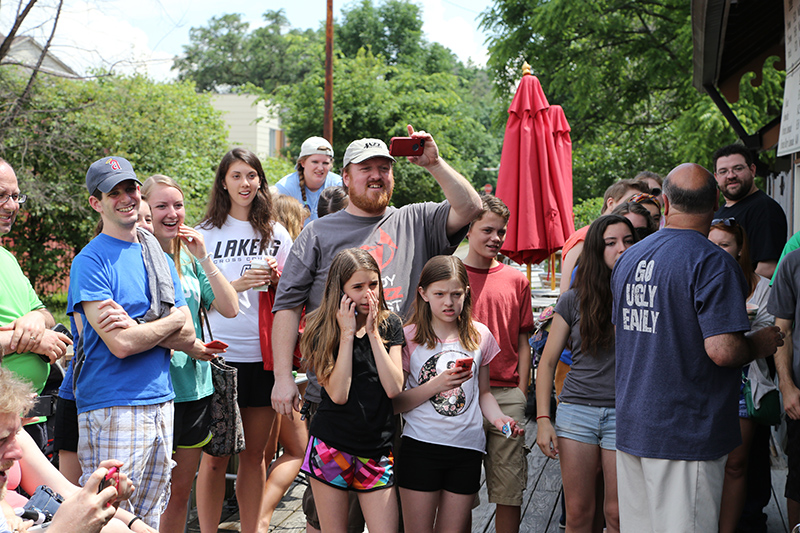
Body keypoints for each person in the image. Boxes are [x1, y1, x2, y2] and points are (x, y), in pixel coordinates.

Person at [271, 126, 482, 532]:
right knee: (331, 521)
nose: (376, 175)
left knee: (395, 518)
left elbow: (470, 208)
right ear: (344, 177)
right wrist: (283, 377)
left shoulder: (417, 218)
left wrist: (434, 163)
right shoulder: (318, 233)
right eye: (365, 168)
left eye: (385, 168)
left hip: (401, 399)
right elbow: (286, 306)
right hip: (334, 398)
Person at [610, 162, 784, 532]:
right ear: (717, 203)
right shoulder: (713, 262)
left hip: (632, 424)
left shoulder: (628, 260)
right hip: (687, 430)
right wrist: (761, 343)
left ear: (667, 204)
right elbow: (722, 350)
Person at [68, 155, 196, 528]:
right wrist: (168, 322)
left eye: (131, 188)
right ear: (97, 202)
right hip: (112, 405)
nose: (126, 197)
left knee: (150, 517)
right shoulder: (89, 261)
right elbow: (120, 345)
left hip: (162, 401)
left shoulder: (156, 253)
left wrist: (142, 326)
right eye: (114, 192)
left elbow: (188, 332)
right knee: (108, 517)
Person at [194, 148, 292, 533]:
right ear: (223, 182)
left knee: (256, 455)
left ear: (261, 182)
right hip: (216, 355)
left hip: (262, 354)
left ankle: (253, 529)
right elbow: (195, 298)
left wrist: (276, 280)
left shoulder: (276, 232)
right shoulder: (203, 234)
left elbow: (291, 296)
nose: (245, 183)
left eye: (252, 175)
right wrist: (236, 286)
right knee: (215, 457)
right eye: (236, 175)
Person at [392, 255, 522, 533]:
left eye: (456, 294)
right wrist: (436, 385)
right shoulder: (408, 337)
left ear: (466, 294)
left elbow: (484, 394)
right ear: (423, 293)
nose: (448, 302)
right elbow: (395, 403)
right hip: (421, 447)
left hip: (467, 449)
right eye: (439, 294)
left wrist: (501, 421)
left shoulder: (480, 335)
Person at [140, 175, 240, 533]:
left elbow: (230, 308)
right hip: (152, 390)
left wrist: (204, 257)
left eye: (178, 205)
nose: (172, 213)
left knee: (179, 493)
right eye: (161, 206)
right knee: (149, 494)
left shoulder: (188, 259)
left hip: (195, 390)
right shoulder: (135, 259)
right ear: (145, 212)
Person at [537, 214, 636, 533]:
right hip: (576, 413)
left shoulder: (644, 298)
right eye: (611, 243)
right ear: (596, 249)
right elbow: (547, 363)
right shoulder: (572, 300)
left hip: (625, 414)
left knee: (618, 515)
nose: (621, 249)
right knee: (578, 514)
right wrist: (542, 420)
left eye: (628, 241)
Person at [297, 248, 404, 532]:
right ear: (340, 290)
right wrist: (346, 335)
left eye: (373, 284)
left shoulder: (389, 323)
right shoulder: (321, 327)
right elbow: (338, 393)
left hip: (377, 448)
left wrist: (371, 333)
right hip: (332, 446)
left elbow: (394, 387)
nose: (368, 293)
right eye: (358, 287)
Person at [0, 362, 151, 532]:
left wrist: (131, 520)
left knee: (118, 528)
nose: (17, 452)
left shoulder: (13, 435)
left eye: (17, 431)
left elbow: (65, 491)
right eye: (2, 440)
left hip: (35, 520)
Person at [462, 195, 534, 533]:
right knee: (459, 488)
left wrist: (522, 390)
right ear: (468, 230)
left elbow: (523, 338)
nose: (496, 238)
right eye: (487, 230)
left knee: (510, 487)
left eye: (501, 232)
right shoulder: (452, 276)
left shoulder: (516, 280)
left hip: (506, 393)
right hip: (459, 396)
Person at [708, 217, 775, 533]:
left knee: (735, 464)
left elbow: (774, 336)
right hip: (704, 382)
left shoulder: (760, 286)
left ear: (738, 249)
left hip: (744, 382)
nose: (718, 249)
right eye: (712, 243)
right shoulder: (699, 277)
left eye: (725, 244)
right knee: (707, 465)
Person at [0, 158, 72, 452]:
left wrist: (33, 318)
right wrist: (34, 340)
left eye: (16, 196)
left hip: (29, 421)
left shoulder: (7, 258)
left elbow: (44, 312)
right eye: (1, 195)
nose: (12, 205)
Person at [559, 178, 650, 293]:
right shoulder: (585, 236)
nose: (634, 207)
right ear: (611, 203)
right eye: (630, 201)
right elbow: (565, 290)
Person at [713, 144, 787, 279]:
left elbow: (768, 268)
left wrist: (737, 296)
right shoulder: (718, 213)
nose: (731, 176)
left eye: (738, 168)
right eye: (723, 171)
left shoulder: (764, 209)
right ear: (716, 177)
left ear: (752, 170)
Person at [275, 136, 343, 224]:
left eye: (325, 163)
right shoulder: (284, 188)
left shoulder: (339, 185)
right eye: (315, 162)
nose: (320, 168)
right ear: (302, 163)